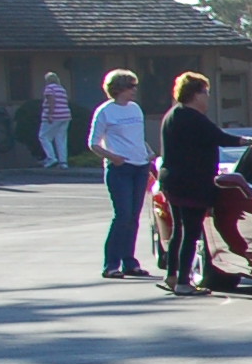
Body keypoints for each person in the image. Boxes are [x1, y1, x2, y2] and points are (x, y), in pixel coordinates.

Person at [156, 73, 229, 295]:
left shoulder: (173, 115)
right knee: (191, 231)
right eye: (205, 92)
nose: (207, 97)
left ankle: (172, 275)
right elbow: (220, 137)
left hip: (173, 180)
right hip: (191, 183)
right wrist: (249, 142)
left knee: (179, 229)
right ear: (195, 94)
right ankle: (183, 282)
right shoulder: (192, 117)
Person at [88, 70, 153, 279]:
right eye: (131, 86)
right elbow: (93, 143)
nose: (134, 90)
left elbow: (138, 137)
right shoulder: (105, 111)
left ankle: (129, 262)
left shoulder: (135, 109)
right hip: (120, 169)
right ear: (119, 88)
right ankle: (111, 264)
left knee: (133, 217)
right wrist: (113, 157)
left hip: (140, 166)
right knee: (122, 215)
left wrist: (147, 151)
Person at [36, 72, 73, 170]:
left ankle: (51, 158)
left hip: (54, 116)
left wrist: (50, 114)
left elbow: (51, 100)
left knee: (43, 136)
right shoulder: (62, 89)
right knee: (61, 139)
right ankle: (63, 162)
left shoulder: (49, 88)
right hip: (65, 116)